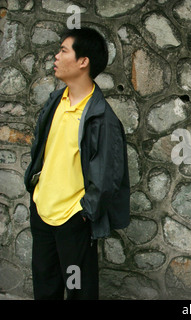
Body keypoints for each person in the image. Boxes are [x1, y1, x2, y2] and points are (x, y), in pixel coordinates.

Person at [24, 27, 130, 300]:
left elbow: (108, 177)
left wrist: (84, 213)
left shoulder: (101, 118)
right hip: (42, 212)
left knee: (78, 291)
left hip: (73, 220)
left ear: (83, 62)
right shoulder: (54, 101)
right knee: (45, 289)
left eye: (63, 50)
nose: (56, 57)